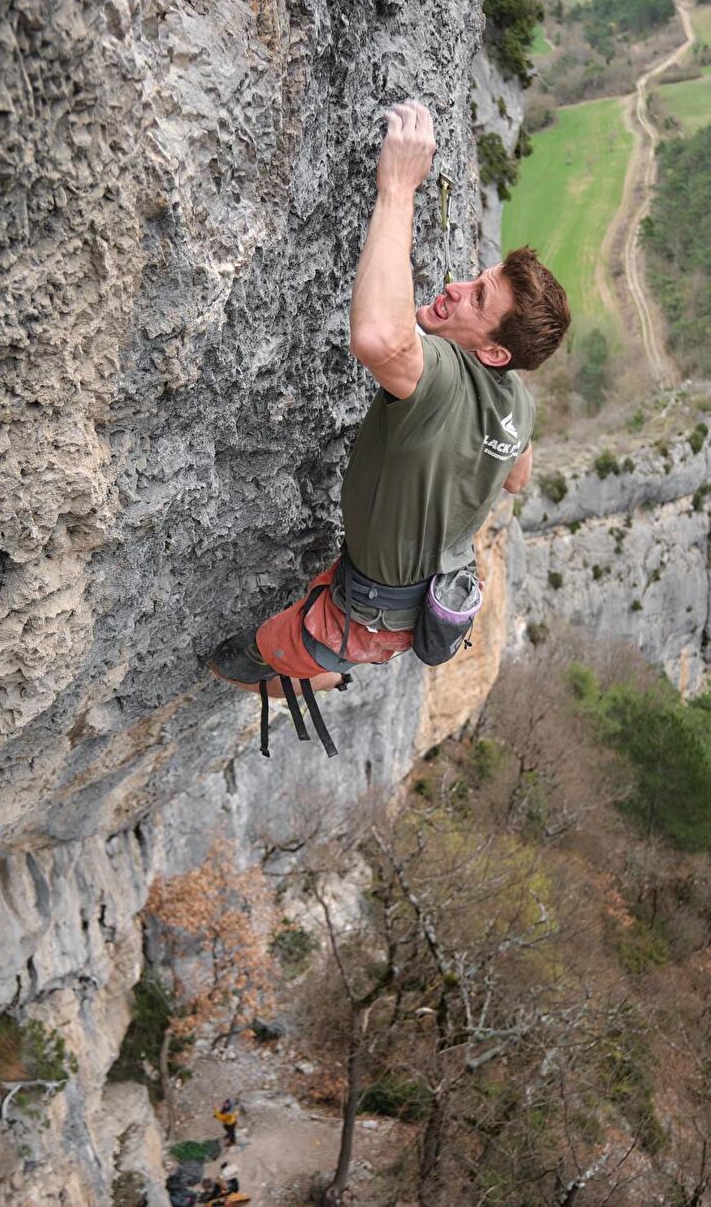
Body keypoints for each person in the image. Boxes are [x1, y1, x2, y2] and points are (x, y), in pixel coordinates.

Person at [210, 100, 570, 753]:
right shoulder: (519, 402)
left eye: (478, 298)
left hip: (368, 614)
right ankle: (333, 658)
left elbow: (380, 337)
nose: (456, 287)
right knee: (328, 632)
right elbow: (517, 477)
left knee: (241, 657)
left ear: (494, 352)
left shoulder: (442, 375)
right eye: (477, 278)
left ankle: (316, 670)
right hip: (416, 600)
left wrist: (398, 187)